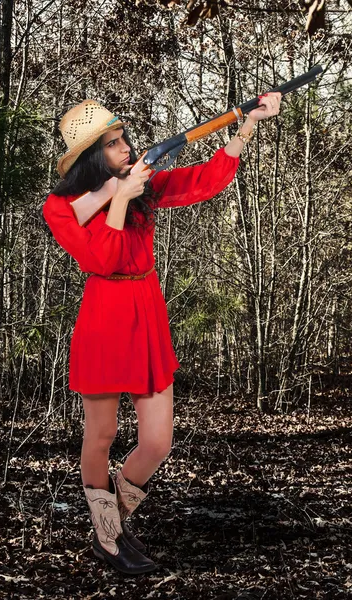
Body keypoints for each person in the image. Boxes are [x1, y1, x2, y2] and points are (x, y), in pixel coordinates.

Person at [43, 92, 282, 575]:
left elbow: (204, 181)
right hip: (105, 315)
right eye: (111, 145)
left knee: (156, 441)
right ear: (92, 157)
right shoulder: (61, 207)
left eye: (123, 138)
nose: (125, 148)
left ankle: (109, 529)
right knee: (102, 434)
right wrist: (118, 199)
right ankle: (111, 539)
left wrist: (245, 128)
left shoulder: (142, 184)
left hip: (146, 309)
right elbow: (102, 261)